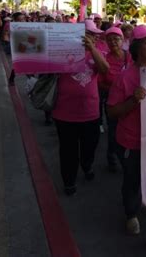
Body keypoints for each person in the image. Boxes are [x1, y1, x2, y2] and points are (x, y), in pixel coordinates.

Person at [107, 25, 146, 257]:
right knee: (133, 184)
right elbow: (112, 112)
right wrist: (133, 101)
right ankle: (131, 213)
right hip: (132, 142)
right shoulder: (125, 77)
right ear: (135, 47)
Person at [51, 19, 109, 196]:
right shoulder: (62, 50)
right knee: (68, 150)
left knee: (89, 145)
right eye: (85, 34)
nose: (88, 37)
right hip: (64, 112)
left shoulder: (98, 52)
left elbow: (105, 69)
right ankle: (69, 181)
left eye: (91, 34)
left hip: (90, 112)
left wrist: (91, 49)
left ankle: (87, 164)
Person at [100, 26, 132, 172]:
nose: (113, 42)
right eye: (110, 39)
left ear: (122, 40)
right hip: (112, 100)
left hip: (130, 99)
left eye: (117, 38)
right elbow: (100, 81)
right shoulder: (104, 59)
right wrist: (115, 89)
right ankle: (112, 157)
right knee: (113, 130)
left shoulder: (130, 56)